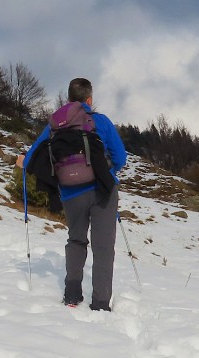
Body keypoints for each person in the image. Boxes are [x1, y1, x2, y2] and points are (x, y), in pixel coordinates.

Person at [19, 78, 128, 311]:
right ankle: (100, 303)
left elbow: (30, 159)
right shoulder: (101, 121)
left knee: (76, 240)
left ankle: (71, 295)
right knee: (103, 247)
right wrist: (105, 170)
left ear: (68, 99)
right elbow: (120, 157)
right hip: (102, 192)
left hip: (70, 193)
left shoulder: (55, 126)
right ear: (90, 99)